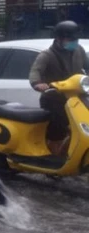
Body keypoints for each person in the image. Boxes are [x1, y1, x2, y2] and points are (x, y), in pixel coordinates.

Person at [29, 20, 89, 156]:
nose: (74, 42)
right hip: (53, 97)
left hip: (74, 96)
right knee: (58, 126)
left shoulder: (79, 50)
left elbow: (87, 66)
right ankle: (53, 153)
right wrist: (37, 83)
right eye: (70, 40)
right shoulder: (47, 55)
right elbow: (35, 71)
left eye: (75, 39)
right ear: (59, 39)